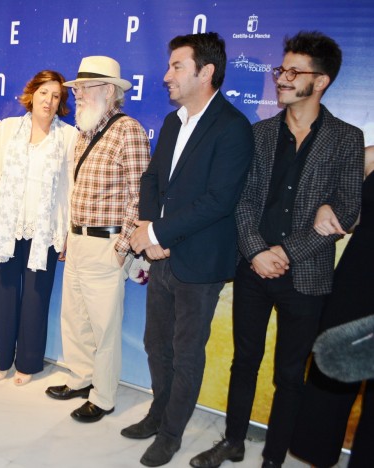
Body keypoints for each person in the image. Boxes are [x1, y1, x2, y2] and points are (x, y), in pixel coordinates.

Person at [190, 31, 364, 468]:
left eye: (293, 71)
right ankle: (231, 441)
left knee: (290, 374)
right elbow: (242, 200)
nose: (281, 78)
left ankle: (272, 458)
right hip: (253, 268)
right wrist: (256, 252)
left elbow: (345, 208)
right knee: (244, 361)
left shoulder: (346, 138)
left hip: (306, 277)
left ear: (320, 81)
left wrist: (285, 252)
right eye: (280, 70)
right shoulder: (259, 132)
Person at [125, 33, 253, 467]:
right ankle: (158, 413)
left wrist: (158, 234)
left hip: (199, 263)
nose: (166, 75)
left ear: (206, 72)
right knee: (154, 343)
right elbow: (151, 180)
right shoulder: (173, 122)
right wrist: (146, 230)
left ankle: (171, 434)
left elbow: (219, 201)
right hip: (160, 254)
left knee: (185, 350)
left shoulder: (233, 128)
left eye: (177, 66)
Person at [44, 56, 150, 422]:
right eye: (77, 91)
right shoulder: (83, 133)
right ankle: (80, 378)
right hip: (78, 243)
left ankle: (103, 397)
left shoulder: (129, 131)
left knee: (104, 328)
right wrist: (69, 238)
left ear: (109, 90)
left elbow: (141, 196)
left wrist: (122, 248)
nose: (78, 97)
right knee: (74, 317)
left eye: (85, 89)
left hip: (107, 246)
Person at [0, 70, 78, 385]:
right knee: (4, 293)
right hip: (8, 226)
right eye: (44, 93)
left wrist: (65, 233)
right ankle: (3, 359)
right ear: (31, 94)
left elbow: (68, 189)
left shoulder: (69, 136)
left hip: (44, 231)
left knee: (37, 298)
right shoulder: (8, 129)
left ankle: (28, 363)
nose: (49, 101)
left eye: (56, 96)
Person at [290, 145, 374, 468]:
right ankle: (317, 458)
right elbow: (345, 212)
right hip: (359, 279)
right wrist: (326, 206)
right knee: (334, 376)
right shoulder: (368, 157)